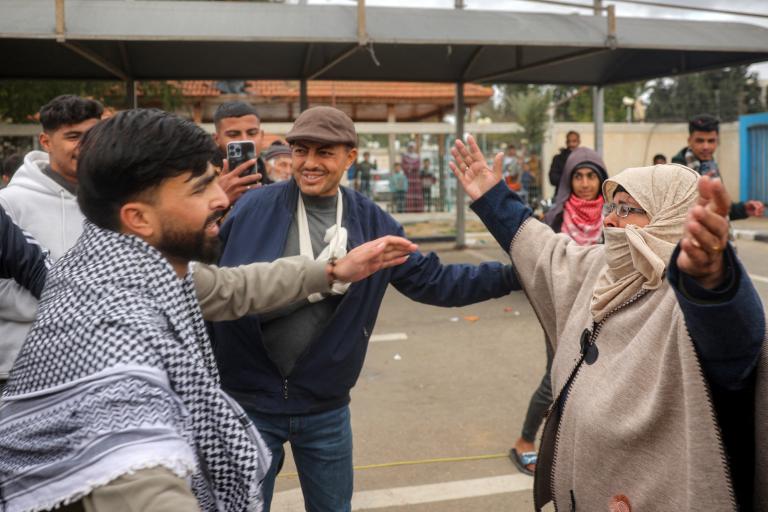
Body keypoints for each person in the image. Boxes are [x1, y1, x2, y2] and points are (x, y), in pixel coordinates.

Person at [0, 109, 417, 511]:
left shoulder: (123, 266)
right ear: (138, 217)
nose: (222, 199)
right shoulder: (118, 338)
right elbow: (140, 475)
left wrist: (333, 269)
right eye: (201, 188)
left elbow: (229, 287)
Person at [211, 106, 520, 512]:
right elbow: (209, 286)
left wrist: (518, 274)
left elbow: (436, 281)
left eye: (325, 152)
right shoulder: (252, 210)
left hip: (324, 406)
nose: (309, 163)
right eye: (301, 150)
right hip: (248, 402)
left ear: (350, 157)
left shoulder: (373, 223)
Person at [451, 135, 765, 511]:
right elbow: (545, 251)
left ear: (672, 217)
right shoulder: (599, 269)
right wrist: (492, 197)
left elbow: (734, 340)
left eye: (629, 209)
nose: (612, 219)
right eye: (611, 206)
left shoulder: (687, 300)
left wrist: (713, 280)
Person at [510, 147, 608, 475]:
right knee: (556, 379)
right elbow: (538, 263)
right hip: (561, 309)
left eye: (591, 176)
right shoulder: (555, 217)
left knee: (598, 380)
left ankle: (579, 447)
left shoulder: (614, 215)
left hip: (603, 309)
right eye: (577, 176)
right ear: (567, 179)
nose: (584, 183)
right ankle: (524, 441)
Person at [0, 95, 103, 390]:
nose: (85, 145)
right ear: (45, 142)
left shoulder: (114, 202)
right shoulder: (9, 203)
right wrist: (70, 304)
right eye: (73, 136)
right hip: (19, 369)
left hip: (94, 366)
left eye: (92, 135)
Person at [672, 114, 764, 220]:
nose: (706, 147)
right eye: (700, 141)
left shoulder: (710, 166)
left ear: (717, 141)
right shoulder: (679, 169)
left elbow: (720, 207)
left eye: (711, 141)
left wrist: (743, 209)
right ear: (689, 140)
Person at [212, 101, 265, 201]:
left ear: (262, 136)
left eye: (252, 133)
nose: (244, 139)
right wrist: (217, 199)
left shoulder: (275, 177)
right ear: (216, 139)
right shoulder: (200, 179)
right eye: (233, 134)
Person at [548, 130, 580, 197]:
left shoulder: (584, 158)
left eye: (574, 141)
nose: (571, 144)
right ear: (566, 142)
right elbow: (553, 179)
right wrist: (571, 180)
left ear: (578, 142)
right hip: (563, 196)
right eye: (569, 141)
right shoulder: (558, 159)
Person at [401, 140, 424, 212]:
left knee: (417, 193)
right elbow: (404, 166)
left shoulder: (417, 157)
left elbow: (417, 166)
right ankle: (410, 209)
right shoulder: (405, 156)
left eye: (412, 147)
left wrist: (411, 167)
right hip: (408, 178)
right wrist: (410, 168)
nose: (411, 149)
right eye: (410, 147)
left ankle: (418, 209)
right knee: (409, 193)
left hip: (416, 178)